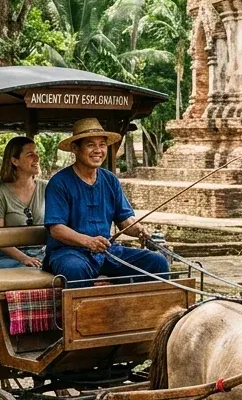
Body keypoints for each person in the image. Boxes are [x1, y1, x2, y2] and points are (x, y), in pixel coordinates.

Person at [44, 118, 168, 285]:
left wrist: (139, 230)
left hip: (107, 251)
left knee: (157, 262)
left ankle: (148, 310)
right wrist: (88, 241)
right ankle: (84, 311)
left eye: (102, 145)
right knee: (75, 269)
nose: (98, 150)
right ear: (75, 148)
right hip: (69, 252)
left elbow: (125, 220)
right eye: (90, 145)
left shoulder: (110, 180)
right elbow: (57, 229)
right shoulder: (59, 182)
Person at [0, 136, 47, 269]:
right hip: (7, 257)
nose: (37, 158)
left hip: (41, 254)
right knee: (29, 270)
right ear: (14, 161)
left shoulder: (47, 188)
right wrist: (24, 258)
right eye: (30, 155)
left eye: (37, 153)